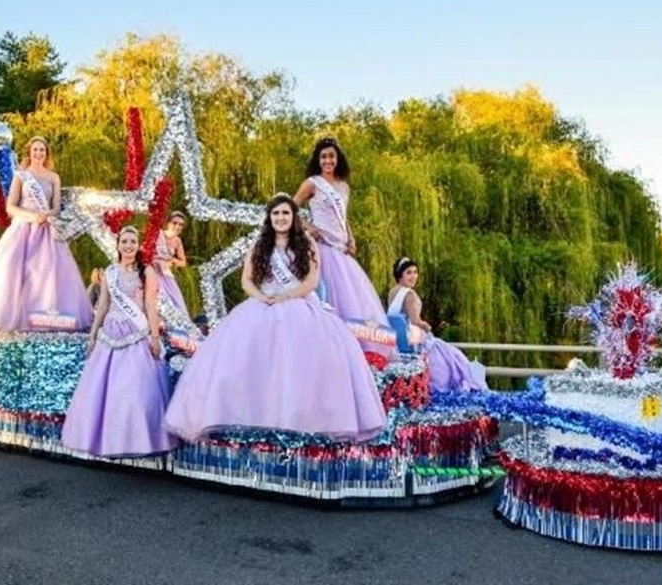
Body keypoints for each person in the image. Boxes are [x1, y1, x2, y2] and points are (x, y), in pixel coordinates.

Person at [164, 193, 387, 443]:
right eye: (276, 213)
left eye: (286, 213)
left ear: (293, 217)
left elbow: (312, 280)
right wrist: (261, 295)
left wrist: (288, 296)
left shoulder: (307, 245)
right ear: (270, 218)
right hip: (262, 303)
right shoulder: (260, 245)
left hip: (300, 304)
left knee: (302, 365)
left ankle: (303, 421)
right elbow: (246, 280)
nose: (281, 218)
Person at [61, 226, 177, 458]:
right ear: (118, 245)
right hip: (110, 334)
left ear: (138, 245)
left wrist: (154, 337)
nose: (128, 245)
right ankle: (106, 440)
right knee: (103, 391)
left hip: (137, 333)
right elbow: (102, 305)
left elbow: (151, 307)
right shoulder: (110, 272)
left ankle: (138, 439)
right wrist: (93, 334)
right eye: (124, 241)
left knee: (135, 389)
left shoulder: (148, 273)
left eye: (133, 241)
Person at [0, 137, 94, 334]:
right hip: (22, 230)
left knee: (47, 276)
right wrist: (32, 216)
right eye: (35, 150)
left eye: (42, 150)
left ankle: (44, 319)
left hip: (46, 231)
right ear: (29, 152)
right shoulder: (21, 176)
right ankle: (14, 320)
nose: (38, 153)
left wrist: (46, 216)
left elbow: (56, 208)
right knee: (15, 274)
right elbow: (10, 207)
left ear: (46, 153)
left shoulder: (54, 177)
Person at [293, 137, 395, 358]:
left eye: (331, 156)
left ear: (338, 159)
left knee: (356, 305)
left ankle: (361, 354)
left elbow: (344, 217)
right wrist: (308, 226)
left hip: (342, 252)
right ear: (318, 161)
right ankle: (327, 351)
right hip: (322, 249)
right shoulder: (312, 183)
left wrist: (352, 238)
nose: (328, 160)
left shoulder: (343, 186)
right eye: (323, 157)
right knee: (328, 299)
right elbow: (288, 209)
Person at [387, 257, 486, 392]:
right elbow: (415, 321)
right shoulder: (409, 294)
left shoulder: (392, 292)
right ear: (400, 275)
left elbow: (394, 317)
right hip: (414, 338)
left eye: (415, 272)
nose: (414, 276)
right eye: (409, 272)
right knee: (453, 357)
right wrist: (426, 325)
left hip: (398, 340)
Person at [152, 211, 190, 315]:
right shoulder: (157, 234)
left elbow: (183, 262)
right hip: (152, 270)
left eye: (181, 224)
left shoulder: (177, 241)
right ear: (168, 223)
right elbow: (145, 250)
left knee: (174, 299)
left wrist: (173, 260)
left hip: (165, 272)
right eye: (175, 223)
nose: (177, 226)